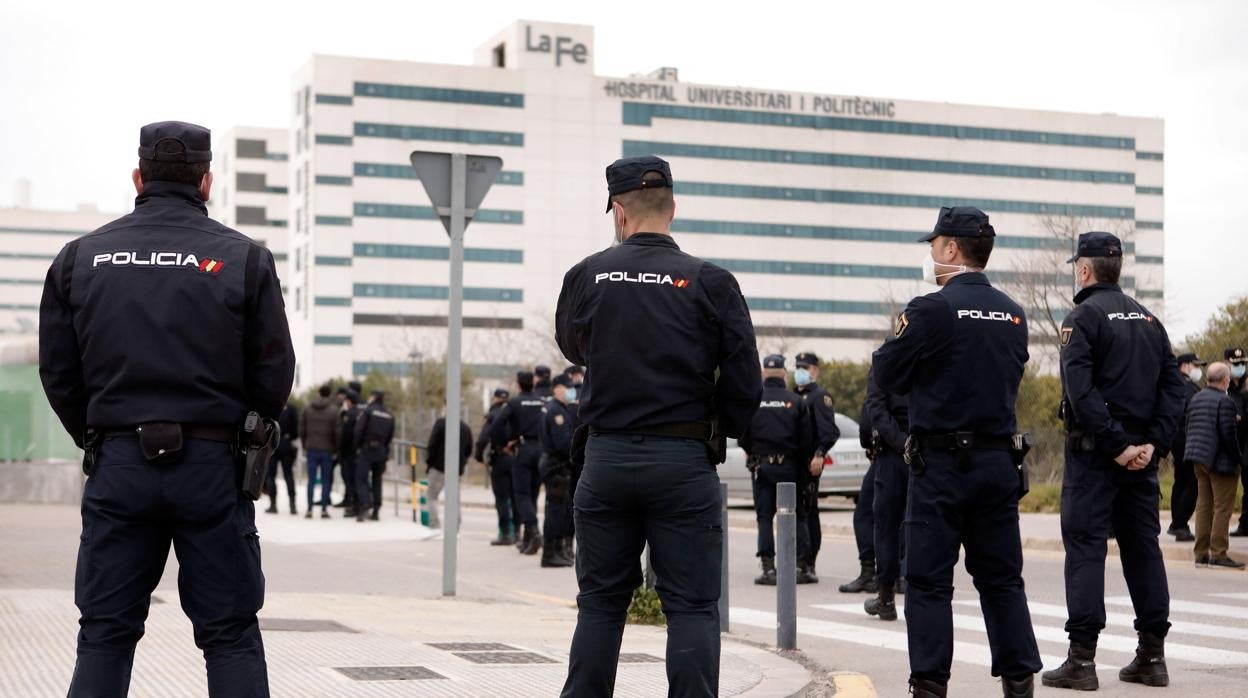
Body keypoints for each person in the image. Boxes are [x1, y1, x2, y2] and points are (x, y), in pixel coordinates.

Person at [38, 121, 294, 697]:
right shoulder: (246, 260)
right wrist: (239, 436)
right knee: (230, 634)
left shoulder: (79, 259)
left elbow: (58, 371)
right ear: (207, 182)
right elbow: (274, 374)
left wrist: (100, 438)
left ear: (138, 178)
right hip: (214, 467)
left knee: (104, 632)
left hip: (118, 465)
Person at [556, 155, 760, 697]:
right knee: (692, 606)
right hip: (682, 461)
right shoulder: (712, 282)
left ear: (619, 213)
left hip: (606, 459)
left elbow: (572, 347)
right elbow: (745, 384)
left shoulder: (585, 275)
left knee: (600, 605)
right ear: (673, 208)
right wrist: (723, 429)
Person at [872, 206, 1040, 698]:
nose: (930, 254)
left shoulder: (930, 308)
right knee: (1002, 580)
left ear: (951, 249)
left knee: (927, 582)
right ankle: (1018, 683)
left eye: (934, 245)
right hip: (997, 464)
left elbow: (885, 373)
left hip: (941, 465)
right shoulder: (1014, 312)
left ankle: (929, 685)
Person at [1041, 231, 1184, 692]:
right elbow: (1173, 391)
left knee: (1086, 550)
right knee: (1144, 551)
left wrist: (1118, 445)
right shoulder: (1150, 321)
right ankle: (1152, 656)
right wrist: (1153, 447)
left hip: (1096, 459)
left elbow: (1080, 394)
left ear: (1083, 269)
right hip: (1141, 460)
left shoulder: (1081, 319)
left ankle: (1081, 661)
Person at [741, 355, 815, 585]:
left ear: (763, 373)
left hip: (761, 467)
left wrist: (754, 450)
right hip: (790, 468)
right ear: (784, 373)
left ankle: (768, 568)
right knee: (798, 515)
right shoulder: (796, 401)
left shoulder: (754, 401)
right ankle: (801, 567)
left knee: (764, 518)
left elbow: (743, 436)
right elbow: (807, 441)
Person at [1185, 362, 1244, 568]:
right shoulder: (1225, 401)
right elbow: (1228, 435)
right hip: (1220, 462)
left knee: (1204, 505)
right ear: (1225, 380)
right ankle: (1219, 553)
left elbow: (1190, 427)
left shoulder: (1196, 397)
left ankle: (1200, 553)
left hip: (1199, 458)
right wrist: (1239, 458)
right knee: (1222, 508)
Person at [864, 366, 911, 622]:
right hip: (925, 452)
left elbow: (876, 409)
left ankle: (886, 598)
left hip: (894, 455)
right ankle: (917, 595)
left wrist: (901, 442)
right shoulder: (932, 349)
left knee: (887, 527)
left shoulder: (888, 357)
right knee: (920, 524)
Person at [793, 351, 839, 581]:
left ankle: (809, 561)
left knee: (809, 512)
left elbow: (829, 432)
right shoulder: (792, 395)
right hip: (792, 464)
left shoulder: (820, 396)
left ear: (815, 370)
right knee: (795, 512)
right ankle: (797, 557)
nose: (800, 371)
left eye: (806, 367)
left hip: (810, 463)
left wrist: (819, 455)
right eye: (798, 367)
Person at [491, 371, 546, 554]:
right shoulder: (541, 401)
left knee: (522, 494)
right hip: (541, 449)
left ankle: (533, 531)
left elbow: (497, 424)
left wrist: (504, 443)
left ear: (519, 384)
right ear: (533, 383)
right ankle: (529, 539)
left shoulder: (514, 402)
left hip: (523, 450)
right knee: (533, 492)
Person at [538, 373, 580, 567]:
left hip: (558, 465)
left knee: (561, 509)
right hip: (556, 466)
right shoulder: (556, 411)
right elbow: (563, 444)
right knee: (555, 510)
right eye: (567, 387)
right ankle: (549, 553)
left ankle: (555, 549)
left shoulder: (558, 408)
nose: (571, 391)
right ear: (556, 388)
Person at [1167, 353, 1206, 541]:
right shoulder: (1185, 387)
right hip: (1187, 440)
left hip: (1178, 440)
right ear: (1183, 366)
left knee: (1181, 482)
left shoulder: (1175, 383)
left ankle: (1178, 523)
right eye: (1195, 365)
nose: (1198, 369)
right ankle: (1180, 524)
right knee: (1192, 483)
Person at [475, 388, 517, 544]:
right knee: (516, 497)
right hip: (516, 457)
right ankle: (518, 533)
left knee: (501, 498)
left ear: (494, 399)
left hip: (499, 459)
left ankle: (505, 533)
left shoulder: (493, 416)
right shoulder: (514, 412)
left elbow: (482, 439)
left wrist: (479, 457)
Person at [425, 408, 473, 531]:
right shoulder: (465, 428)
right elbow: (469, 449)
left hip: (438, 467)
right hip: (456, 469)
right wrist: (462, 463)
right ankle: (455, 527)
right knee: (454, 499)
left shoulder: (441, 424)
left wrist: (430, 462)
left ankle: (435, 525)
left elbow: (432, 445)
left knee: (432, 496)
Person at [354, 390, 395, 522]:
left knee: (361, 478)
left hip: (367, 450)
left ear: (374, 398)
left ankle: (365, 503)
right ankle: (376, 510)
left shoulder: (368, 411)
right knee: (377, 480)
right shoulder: (389, 415)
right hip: (381, 451)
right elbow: (390, 436)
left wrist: (357, 446)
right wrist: (385, 450)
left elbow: (359, 430)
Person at [299, 385, 341, 519]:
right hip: (327, 450)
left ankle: (309, 509)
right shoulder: (334, 411)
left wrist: (305, 445)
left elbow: (301, 429)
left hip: (311, 449)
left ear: (318, 393)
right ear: (329, 395)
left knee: (311, 480)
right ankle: (323, 509)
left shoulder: (307, 408)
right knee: (326, 480)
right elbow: (337, 433)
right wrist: (336, 448)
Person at [1226, 348, 1248, 537]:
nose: (1240, 367)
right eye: (1236, 363)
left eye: (1242, 363)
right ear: (1227, 363)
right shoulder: (1223, 386)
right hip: (1233, 447)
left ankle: (1245, 525)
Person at [264, 402, 299, 515]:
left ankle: (273, 505)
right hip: (286, 443)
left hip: (272, 443)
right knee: (288, 475)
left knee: (271, 475)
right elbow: (296, 429)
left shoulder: (271, 407)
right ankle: (292, 505)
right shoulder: (292, 408)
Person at [337, 389, 362, 518]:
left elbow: (345, 435)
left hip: (349, 453)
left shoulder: (350, 414)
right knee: (357, 480)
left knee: (351, 480)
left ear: (349, 401)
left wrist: (340, 449)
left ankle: (354, 507)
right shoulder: (361, 412)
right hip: (359, 452)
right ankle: (358, 505)